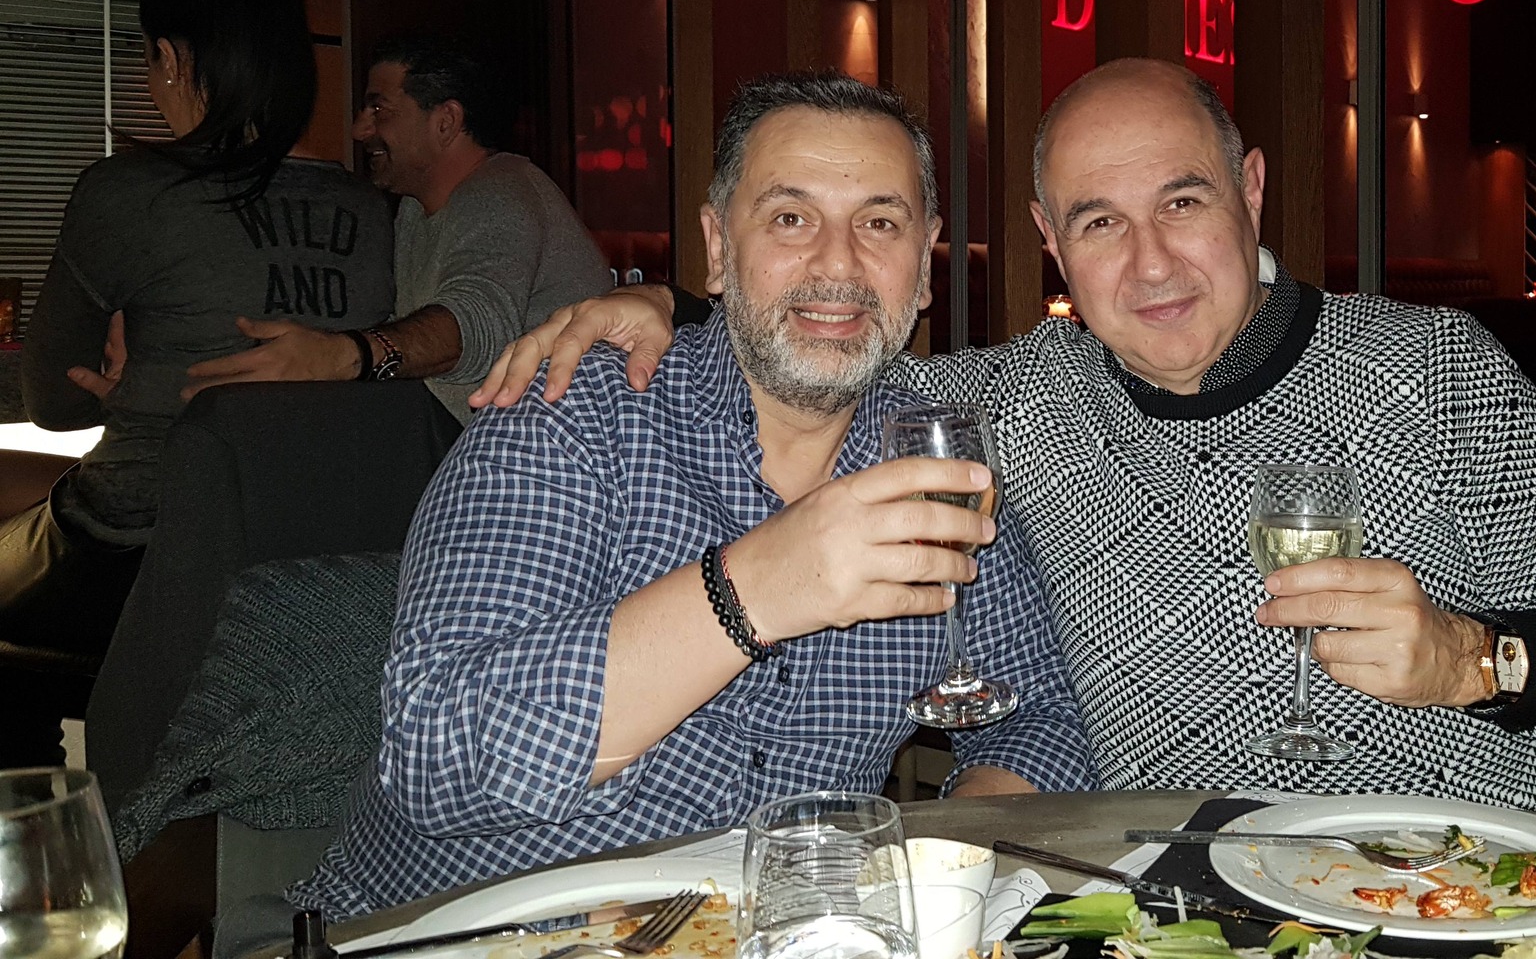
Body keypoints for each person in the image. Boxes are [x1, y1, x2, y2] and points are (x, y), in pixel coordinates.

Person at [479, 58, 1536, 813]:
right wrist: (667, 303)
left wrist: (1476, 659)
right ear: (1048, 242)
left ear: (1250, 192)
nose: (1151, 263)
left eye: (1182, 201)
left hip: (1465, 883)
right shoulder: (1015, 402)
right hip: (1174, 902)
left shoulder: (1431, 369)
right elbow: (825, 332)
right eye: (1099, 222)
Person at [286, 71, 1093, 921]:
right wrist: (748, 593)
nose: (838, 263)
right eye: (790, 218)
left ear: (923, 266)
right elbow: (435, 762)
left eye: (879, 223)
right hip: (468, 928)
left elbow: (1041, 712)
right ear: (716, 246)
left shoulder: (932, 462)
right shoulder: (572, 414)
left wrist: (935, 869)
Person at [1, 0, 395, 767]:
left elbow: (54, 403)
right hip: (307, 551)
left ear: (174, 59)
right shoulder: (370, 212)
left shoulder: (124, 192)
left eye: (150, 59)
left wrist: (125, 375)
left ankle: (49, 829)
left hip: (140, 549)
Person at [181, 36, 612, 424]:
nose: (359, 129)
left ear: (445, 121)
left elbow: (477, 324)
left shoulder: (502, 192)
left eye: (379, 110)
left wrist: (342, 356)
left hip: (560, 455)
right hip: (478, 438)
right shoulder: (412, 209)